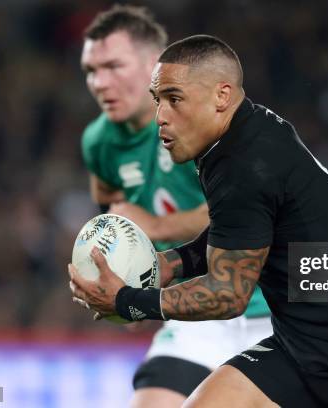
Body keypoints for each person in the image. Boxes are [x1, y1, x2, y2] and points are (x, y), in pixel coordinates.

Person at [70, 34, 328, 407]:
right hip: (299, 350)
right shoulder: (239, 136)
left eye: (174, 99)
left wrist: (128, 301)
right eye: (157, 101)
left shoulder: (247, 162)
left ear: (222, 95)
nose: (160, 117)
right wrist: (175, 262)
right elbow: (242, 228)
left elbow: (227, 295)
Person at [79, 8, 272, 407]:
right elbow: (111, 210)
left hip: (270, 308)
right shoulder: (98, 142)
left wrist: (158, 226)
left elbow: (254, 208)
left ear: (154, 66)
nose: (100, 83)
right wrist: (120, 273)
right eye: (91, 70)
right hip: (195, 316)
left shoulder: (202, 122)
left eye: (114, 66)